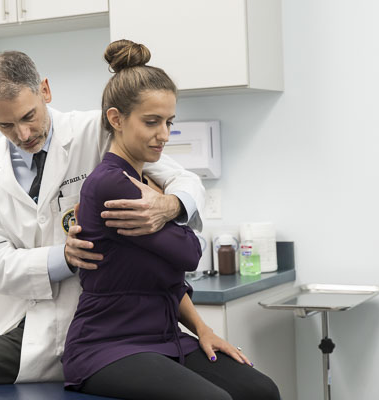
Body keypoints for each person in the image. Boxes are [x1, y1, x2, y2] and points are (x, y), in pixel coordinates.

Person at [0, 50, 205, 393]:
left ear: (45, 90)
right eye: (6, 125)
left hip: (103, 329)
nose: (24, 133)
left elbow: (185, 180)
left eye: (29, 116)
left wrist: (170, 205)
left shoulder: (97, 130)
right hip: (26, 330)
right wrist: (65, 258)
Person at [61, 40, 281, 400]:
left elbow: (166, 276)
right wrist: (180, 222)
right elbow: (190, 253)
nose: (164, 134)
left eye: (168, 122)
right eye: (151, 122)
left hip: (165, 337)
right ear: (116, 119)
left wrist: (202, 329)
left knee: (260, 391)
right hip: (107, 346)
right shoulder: (109, 183)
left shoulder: (152, 180)